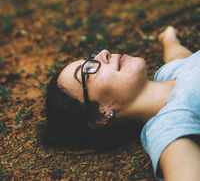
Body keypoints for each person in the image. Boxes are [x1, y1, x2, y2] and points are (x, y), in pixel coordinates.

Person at [46, 26, 200, 180]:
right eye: (89, 70)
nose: (103, 53)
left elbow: (178, 55)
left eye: (92, 58)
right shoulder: (167, 125)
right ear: (99, 115)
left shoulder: (169, 72)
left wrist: (168, 38)